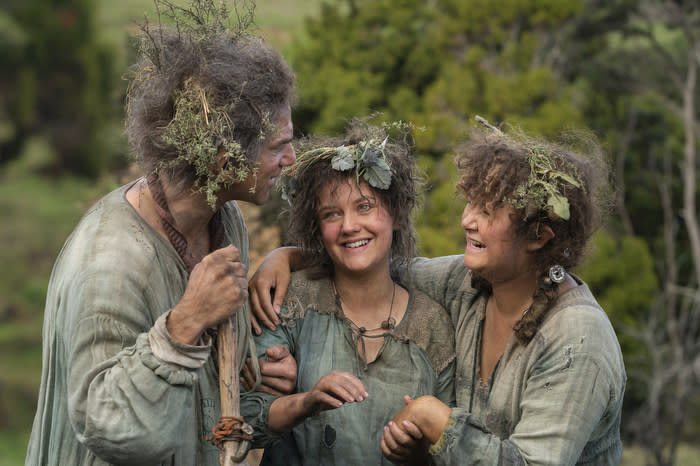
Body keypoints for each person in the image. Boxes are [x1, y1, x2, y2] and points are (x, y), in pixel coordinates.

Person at [248, 121, 626, 465]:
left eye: (488, 212)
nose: (467, 220)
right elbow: (371, 266)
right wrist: (288, 257)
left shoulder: (578, 338)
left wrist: (435, 419)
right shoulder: (468, 284)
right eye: (470, 203)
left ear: (538, 236)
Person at [25, 5, 297, 465]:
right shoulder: (111, 265)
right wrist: (185, 323)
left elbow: (209, 389)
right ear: (221, 159)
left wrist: (260, 377)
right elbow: (105, 423)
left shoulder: (223, 221)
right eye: (278, 146)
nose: (290, 160)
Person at [240, 121, 456, 465]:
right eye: (331, 214)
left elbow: (453, 447)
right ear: (317, 228)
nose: (349, 226)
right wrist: (306, 402)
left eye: (365, 207)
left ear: (397, 215)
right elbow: (244, 419)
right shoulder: (289, 299)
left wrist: (417, 453)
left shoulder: (433, 326)